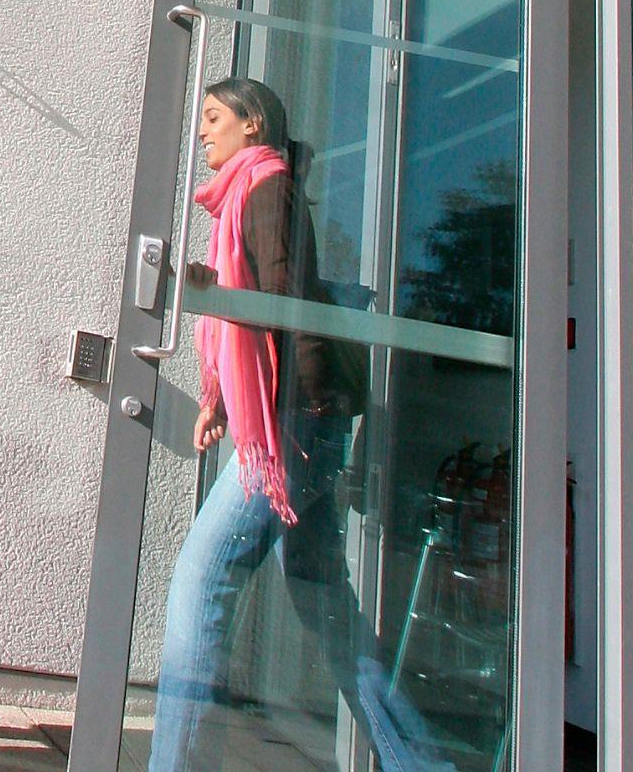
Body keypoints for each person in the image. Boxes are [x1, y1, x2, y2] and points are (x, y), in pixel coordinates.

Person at [148, 77, 390, 770]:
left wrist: (303, 417)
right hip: (296, 417)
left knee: (202, 578)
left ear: (253, 125)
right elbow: (256, 310)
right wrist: (219, 400)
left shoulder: (266, 189)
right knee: (327, 608)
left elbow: (287, 305)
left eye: (215, 117)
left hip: (295, 422)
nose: (203, 131)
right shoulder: (251, 195)